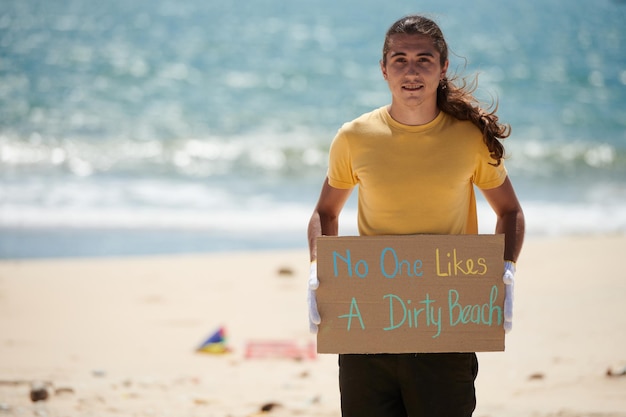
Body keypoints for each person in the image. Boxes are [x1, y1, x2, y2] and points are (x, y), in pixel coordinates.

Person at [306, 14, 525, 417]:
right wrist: (321, 269)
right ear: (383, 68)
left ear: (442, 67)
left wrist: (505, 269)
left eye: (424, 59)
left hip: (446, 327)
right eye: (399, 59)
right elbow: (325, 211)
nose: (411, 71)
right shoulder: (354, 136)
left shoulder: (468, 137)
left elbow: (509, 211)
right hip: (368, 327)